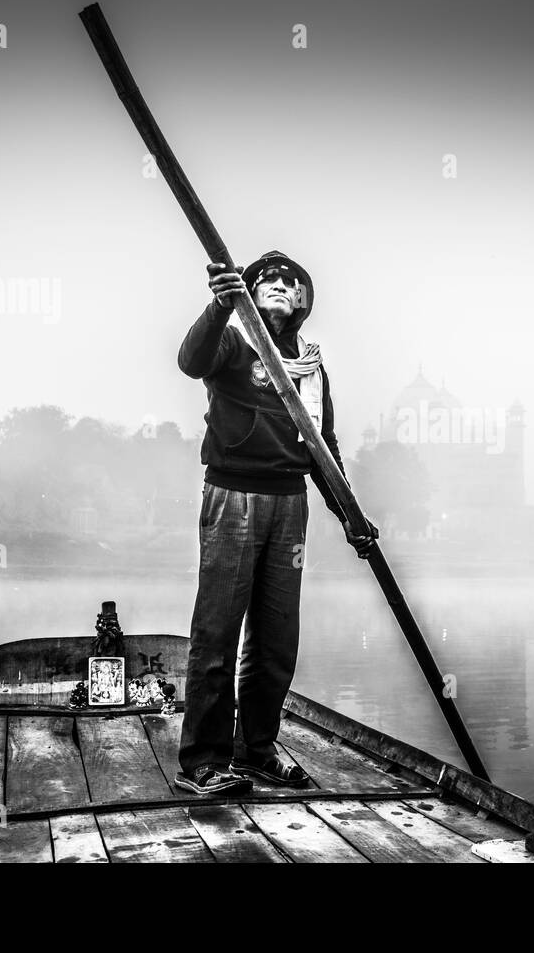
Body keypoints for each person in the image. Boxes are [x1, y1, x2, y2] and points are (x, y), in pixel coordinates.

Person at [174, 250, 378, 794]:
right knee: (217, 632)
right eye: (268, 279)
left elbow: (322, 448)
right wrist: (220, 303)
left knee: (275, 637)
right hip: (233, 496)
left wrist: (351, 515)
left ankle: (257, 748)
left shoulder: (310, 367)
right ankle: (204, 760)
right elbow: (191, 361)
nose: (282, 285)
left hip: (289, 505)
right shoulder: (234, 341)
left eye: (293, 282)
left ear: (303, 301)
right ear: (249, 290)